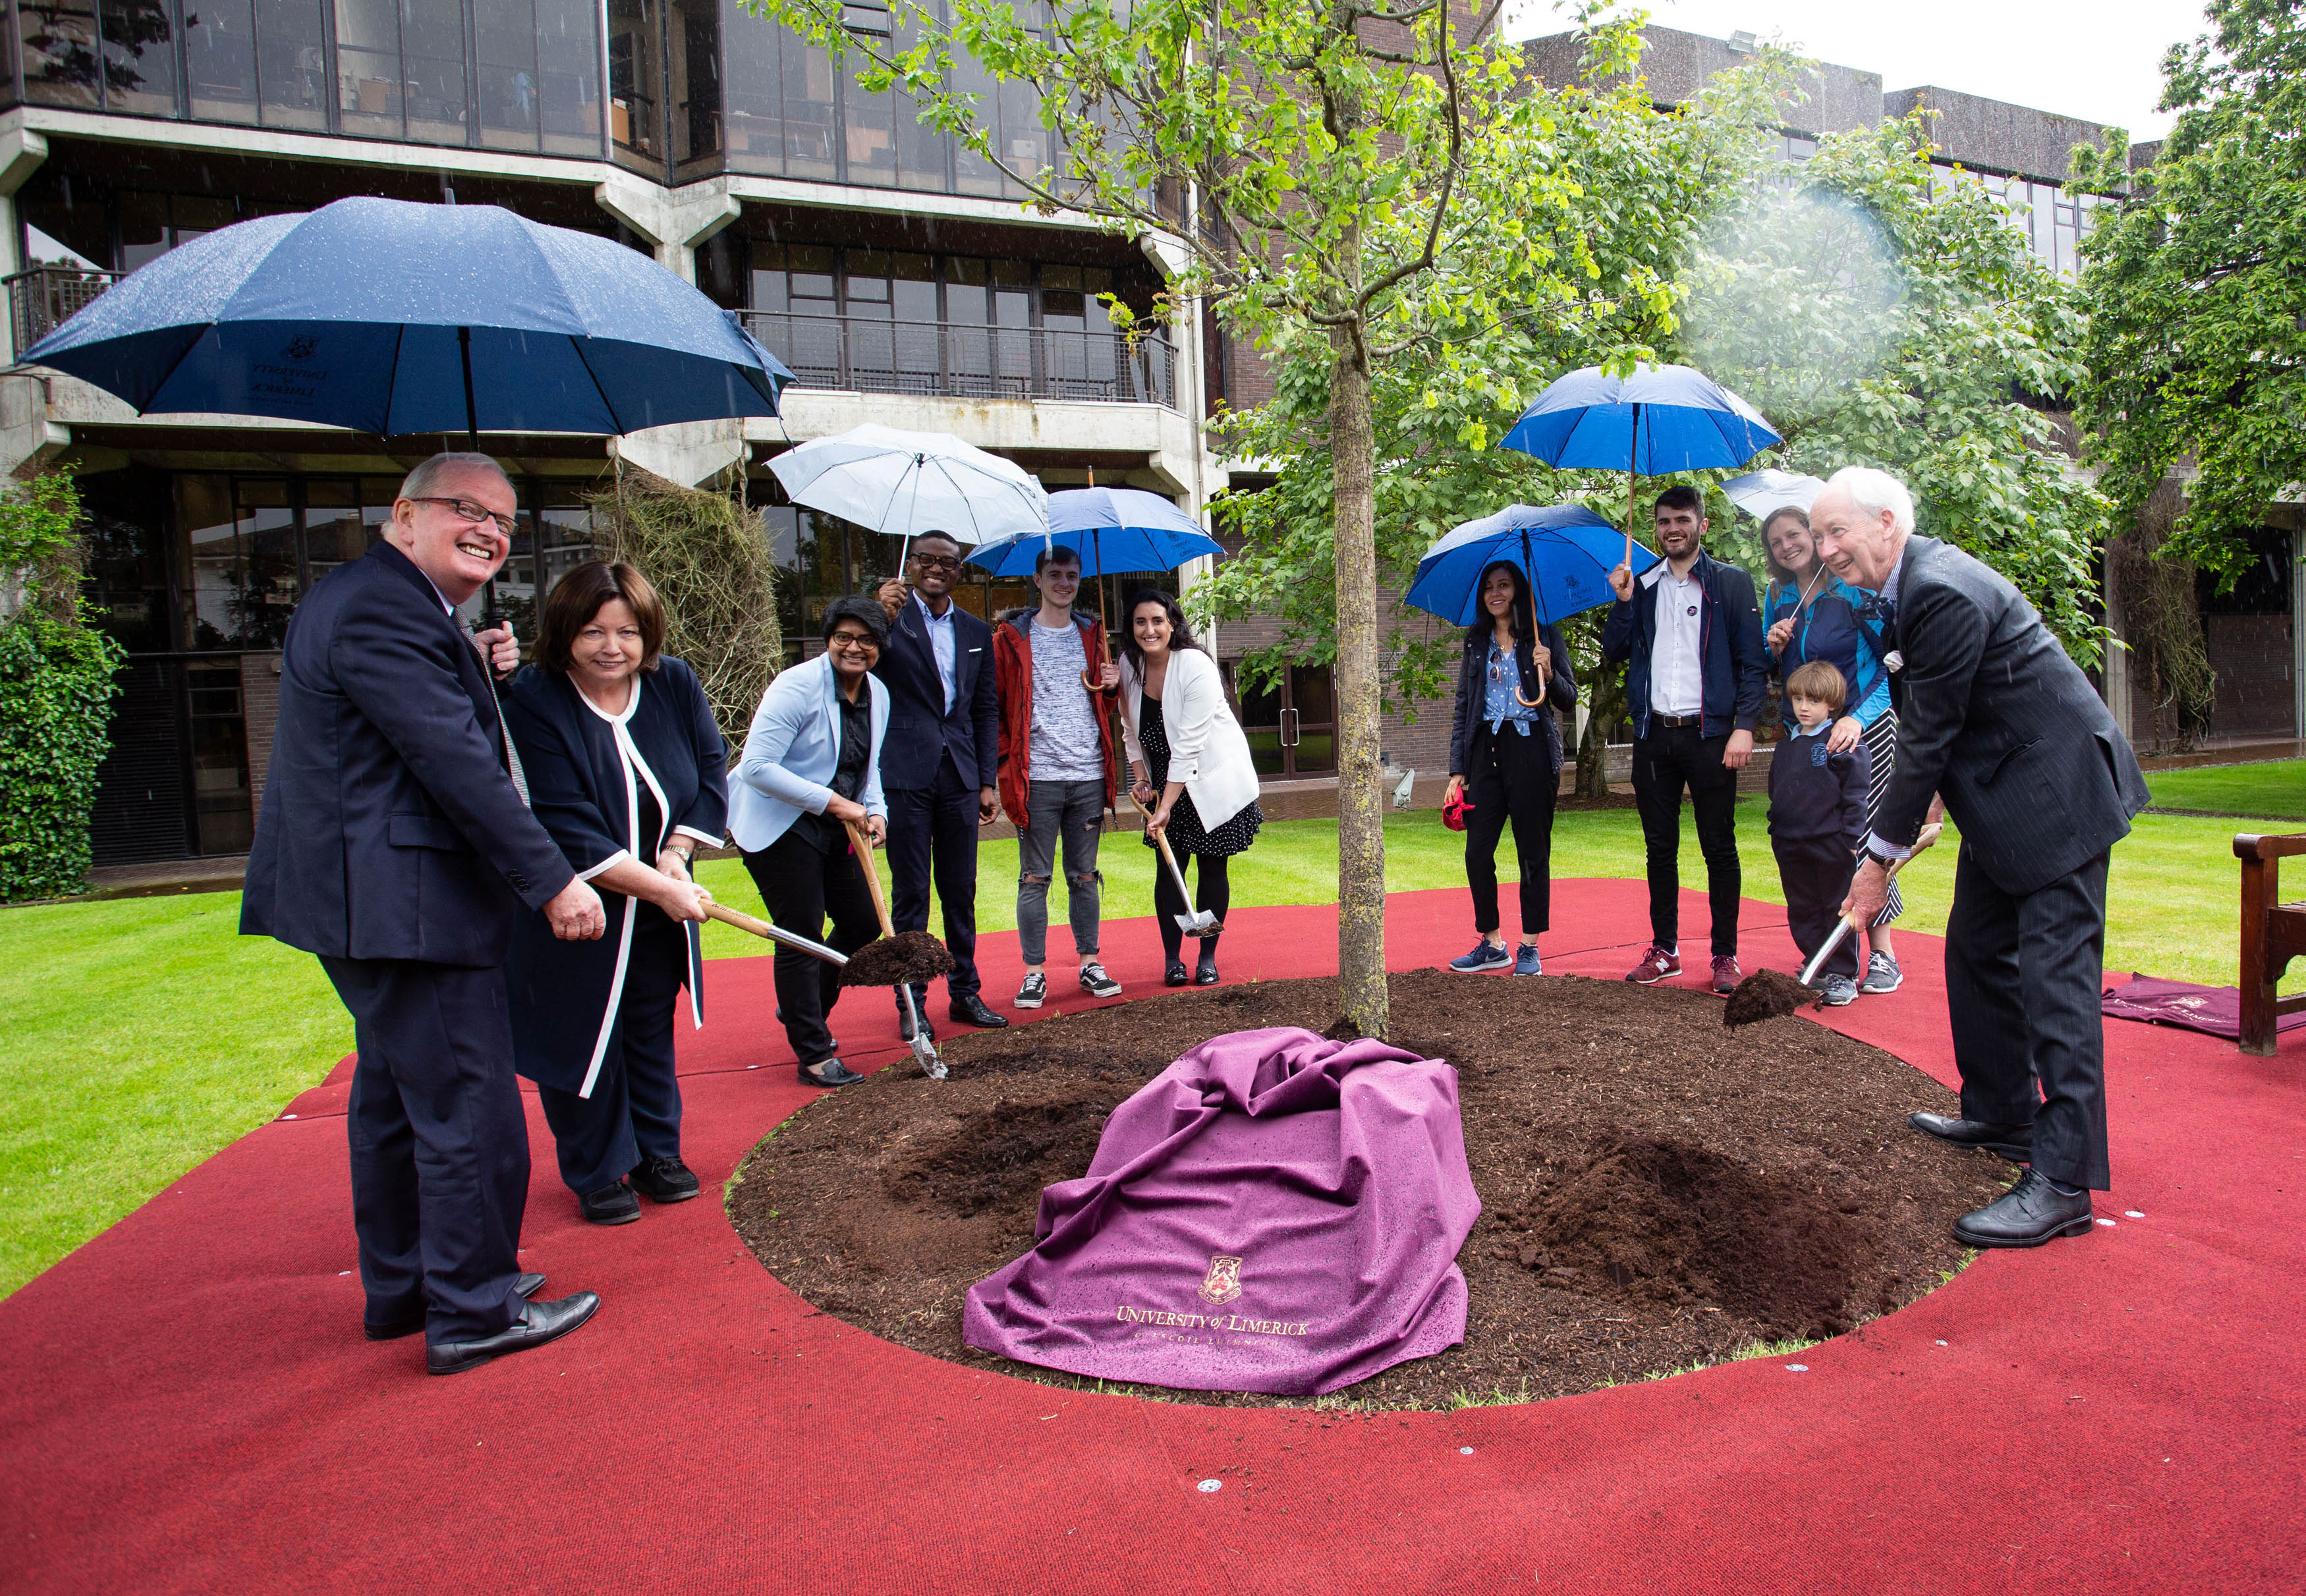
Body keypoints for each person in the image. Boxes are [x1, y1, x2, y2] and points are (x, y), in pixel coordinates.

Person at [240, 451, 602, 1377]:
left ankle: (409, 1286)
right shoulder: (381, 609)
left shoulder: (397, 608)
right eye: (466, 508)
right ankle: (475, 1305)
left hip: (376, 902)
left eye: (506, 520)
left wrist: (475, 662)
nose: (490, 527)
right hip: (407, 907)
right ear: (403, 514)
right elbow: (452, 763)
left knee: (397, 1099)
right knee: (465, 1106)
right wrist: (554, 878)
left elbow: (413, 728)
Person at [1813, 466, 2149, 1248]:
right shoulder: (1901, 590)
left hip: (2056, 799)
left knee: (2054, 984)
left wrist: (1875, 860)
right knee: (1973, 951)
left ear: (1888, 523)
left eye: (1838, 531)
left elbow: (1927, 733)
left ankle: (2063, 1183)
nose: (1825, 548)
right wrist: (1931, 799)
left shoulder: (1938, 591)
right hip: (2003, 795)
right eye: (1818, 533)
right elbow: (1945, 712)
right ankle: (2004, 1113)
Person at [501, 561, 725, 1226]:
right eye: (593, 630)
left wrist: (678, 852)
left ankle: (657, 1152)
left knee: (646, 1032)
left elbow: (708, 771)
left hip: (656, 908)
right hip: (575, 910)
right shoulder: (534, 698)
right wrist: (661, 889)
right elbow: (561, 820)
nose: (611, 646)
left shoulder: (672, 683)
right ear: (564, 629)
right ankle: (597, 1167)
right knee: (582, 1035)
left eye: (627, 631)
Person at [1602, 484, 1771, 993]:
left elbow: (1753, 663)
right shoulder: (1644, 583)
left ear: (1702, 524)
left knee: (1719, 848)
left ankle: (1725, 954)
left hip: (1710, 736)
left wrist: (1744, 725)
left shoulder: (1732, 584)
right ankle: (1665, 949)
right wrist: (1623, 600)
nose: (1672, 529)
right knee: (1660, 849)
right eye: (1663, 521)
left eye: (1681, 519)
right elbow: (1613, 650)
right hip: (1655, 736)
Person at [729, 596, 893, 1088]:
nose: (854, 647)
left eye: (866, 639)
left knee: (862, 922)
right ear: (828, 640)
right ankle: (814, 1051)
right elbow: (757, 767)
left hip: (834, 824)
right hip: (779, 825)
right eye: (843, 636)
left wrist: (877, 809)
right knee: (800, 931)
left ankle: (804, 1009)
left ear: (880, 647)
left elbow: (868, 765)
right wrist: (834, 803)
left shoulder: (878, 694)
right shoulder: (796, 686)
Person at [1761, 504, 1907, 994]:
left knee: (1862, 841)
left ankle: (1881, 952)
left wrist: (1854, 719)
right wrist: (1774, 645)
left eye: (1795, 533)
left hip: (1861, 726)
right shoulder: (1777, 596)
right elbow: (1772, 668)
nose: (1788, 545)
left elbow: (1890, 666)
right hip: (1806, 732)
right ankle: (1825, 956)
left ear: (1816, 536)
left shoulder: (1854, 591)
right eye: (1776, 540)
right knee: (1817, 847)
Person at [872, 531, 1005, 1039]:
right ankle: (912, 1001)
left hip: (961, 776)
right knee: (911, 895)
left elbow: (984, 707)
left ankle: (965, 991)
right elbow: (850, 659)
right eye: (925, 559)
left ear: (959, 571)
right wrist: (876, 612)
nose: (936, 568)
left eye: (947, 562)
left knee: (960, 889)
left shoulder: (975, 630)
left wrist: (987, 781)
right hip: (905, 773)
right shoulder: (888, 622)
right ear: (910, 565)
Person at [992, 543, 1123, 1006]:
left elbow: (1101, 707)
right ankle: (1034, 972)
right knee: (1035, 877)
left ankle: (1090, 962)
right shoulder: (1010, 637)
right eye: (1055, 574)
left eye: (1071, 574)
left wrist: (1110, 688)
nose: (1064, 582)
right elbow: (999, 709)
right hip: (1038, 777)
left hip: (1087, 774)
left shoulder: (1093, 634)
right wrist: (1005, 765)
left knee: (1085, 875)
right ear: (1038, 579)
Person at [1120, 590, 1264, 986]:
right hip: (1166, 788)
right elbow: (1131, 732)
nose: (1149, 630)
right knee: (1169, 873)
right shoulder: (1128, 667)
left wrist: (1165, 804)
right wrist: (1142, 778)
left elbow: (1188, 744)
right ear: (1131, 628)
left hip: (1209, 783)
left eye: (1157, 621)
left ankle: (1206, 956)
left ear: (1172, 625)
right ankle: (1172, 959)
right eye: (1140, 622)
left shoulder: (1195, 665)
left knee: (1212, 870)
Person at [1442, 560, 1579, 975]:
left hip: (1532, 753)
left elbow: (1569, 699)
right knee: (1477, 852)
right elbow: (1465, 706)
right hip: (1486, 754)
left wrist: (1550, 669)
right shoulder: (1476, 641)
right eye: (1489, 587)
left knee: (1532, 853)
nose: (1495, 593)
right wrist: (1457, 769)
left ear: (1518, 590)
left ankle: (1531, 946)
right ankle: (1492, 942)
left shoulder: (1543, 635)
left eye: (1503, 585)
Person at [1768, 660, 1870, 1006]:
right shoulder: (1786, 744)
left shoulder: (1840, 742)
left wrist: (1850, 840)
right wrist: (1776, 830)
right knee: (1802, 907)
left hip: (1831, 844)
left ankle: (1842, 974)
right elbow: (1777, 792)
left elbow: (1856, 794)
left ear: (1832, 705)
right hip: (1790, 843)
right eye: (1797, 700)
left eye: (1813, 701)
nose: (1804, 707)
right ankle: (1816, 964)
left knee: (1834, 907)